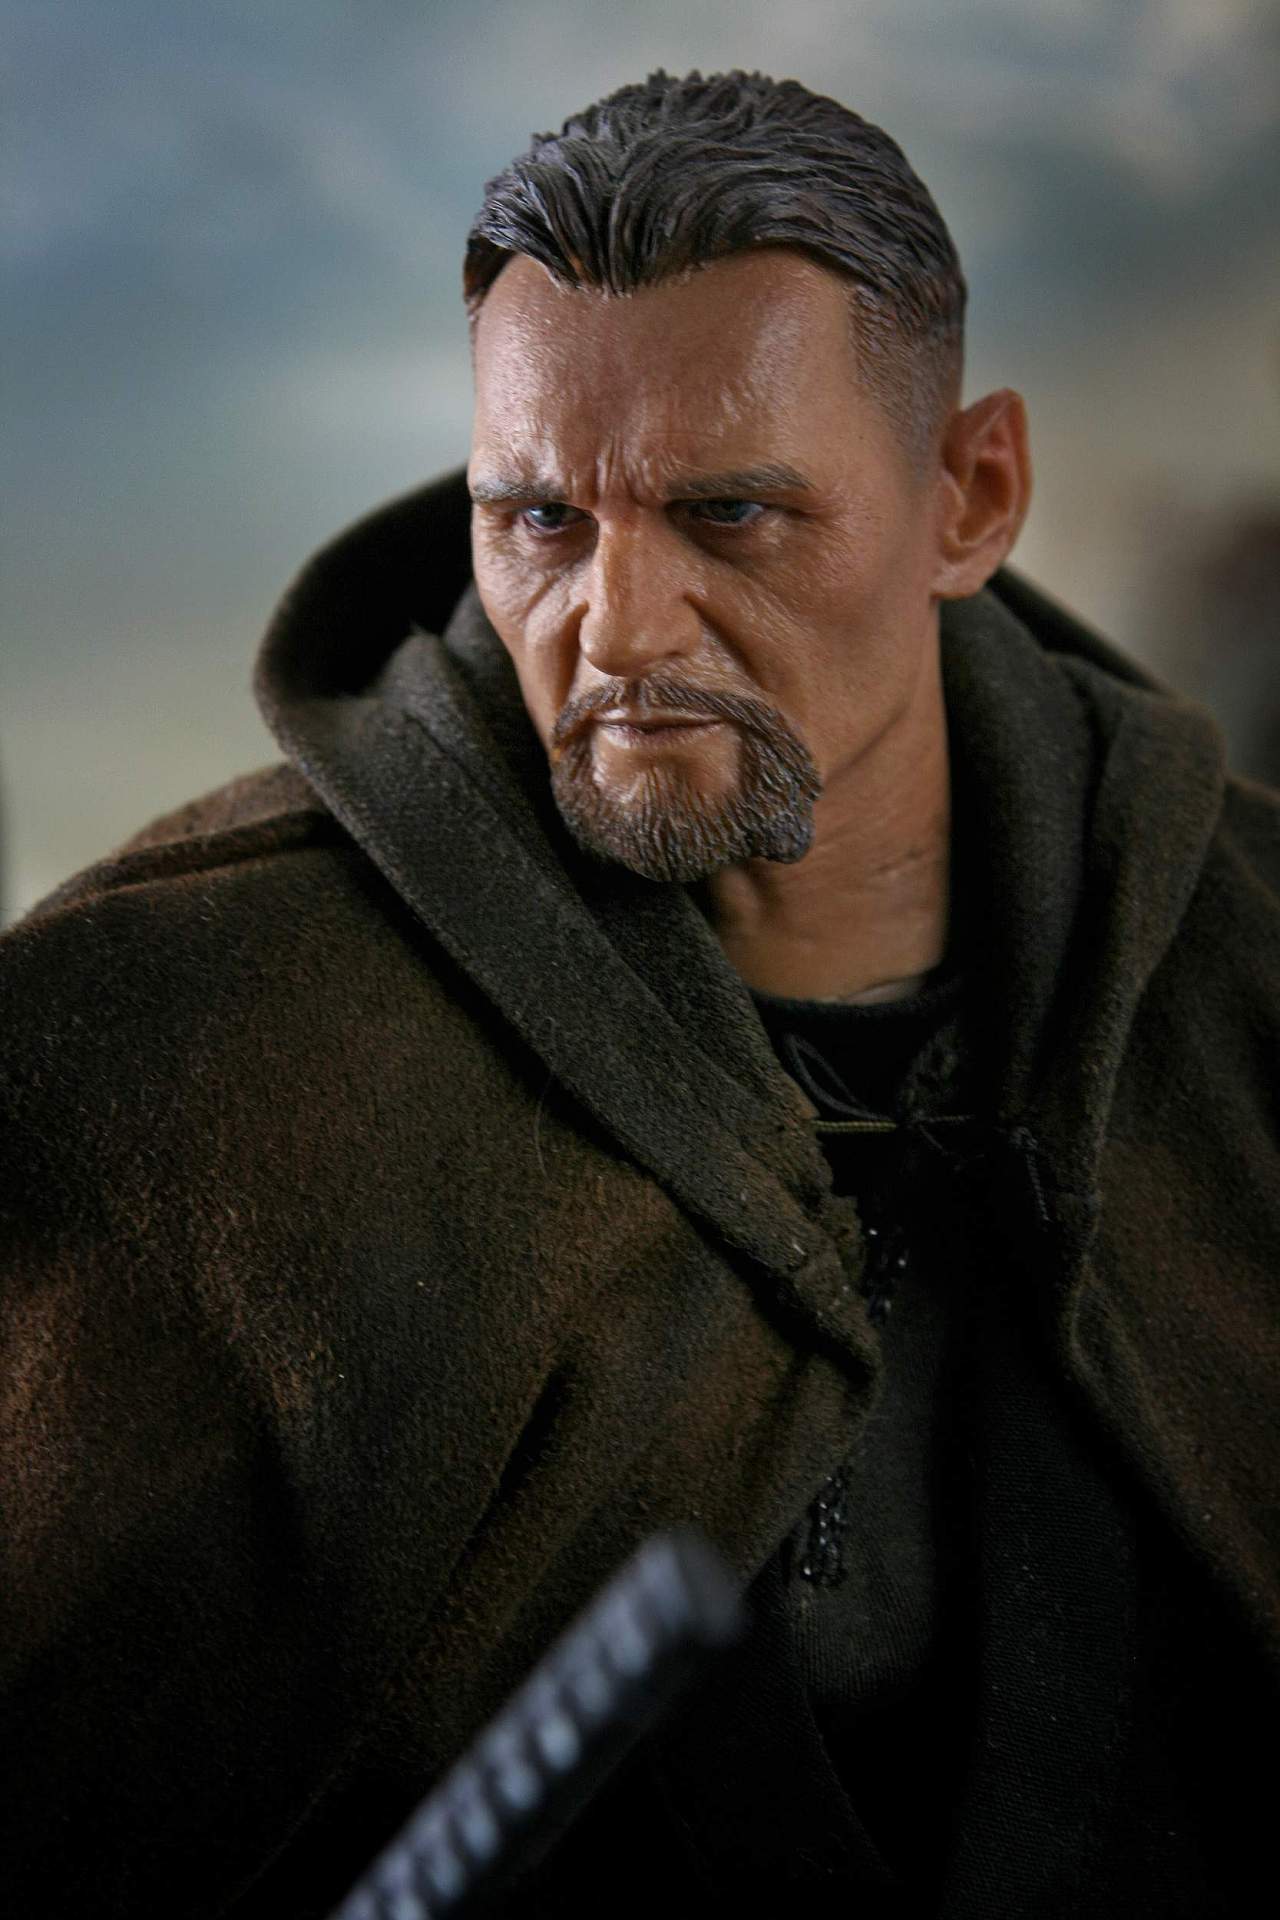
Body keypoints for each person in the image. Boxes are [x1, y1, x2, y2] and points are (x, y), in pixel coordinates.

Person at [1, 66, 1276, 1920]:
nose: (615, 625)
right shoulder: (180, 1038)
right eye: (539, 521)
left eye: (731, 513)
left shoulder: (1243, 971)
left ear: (969, 496)